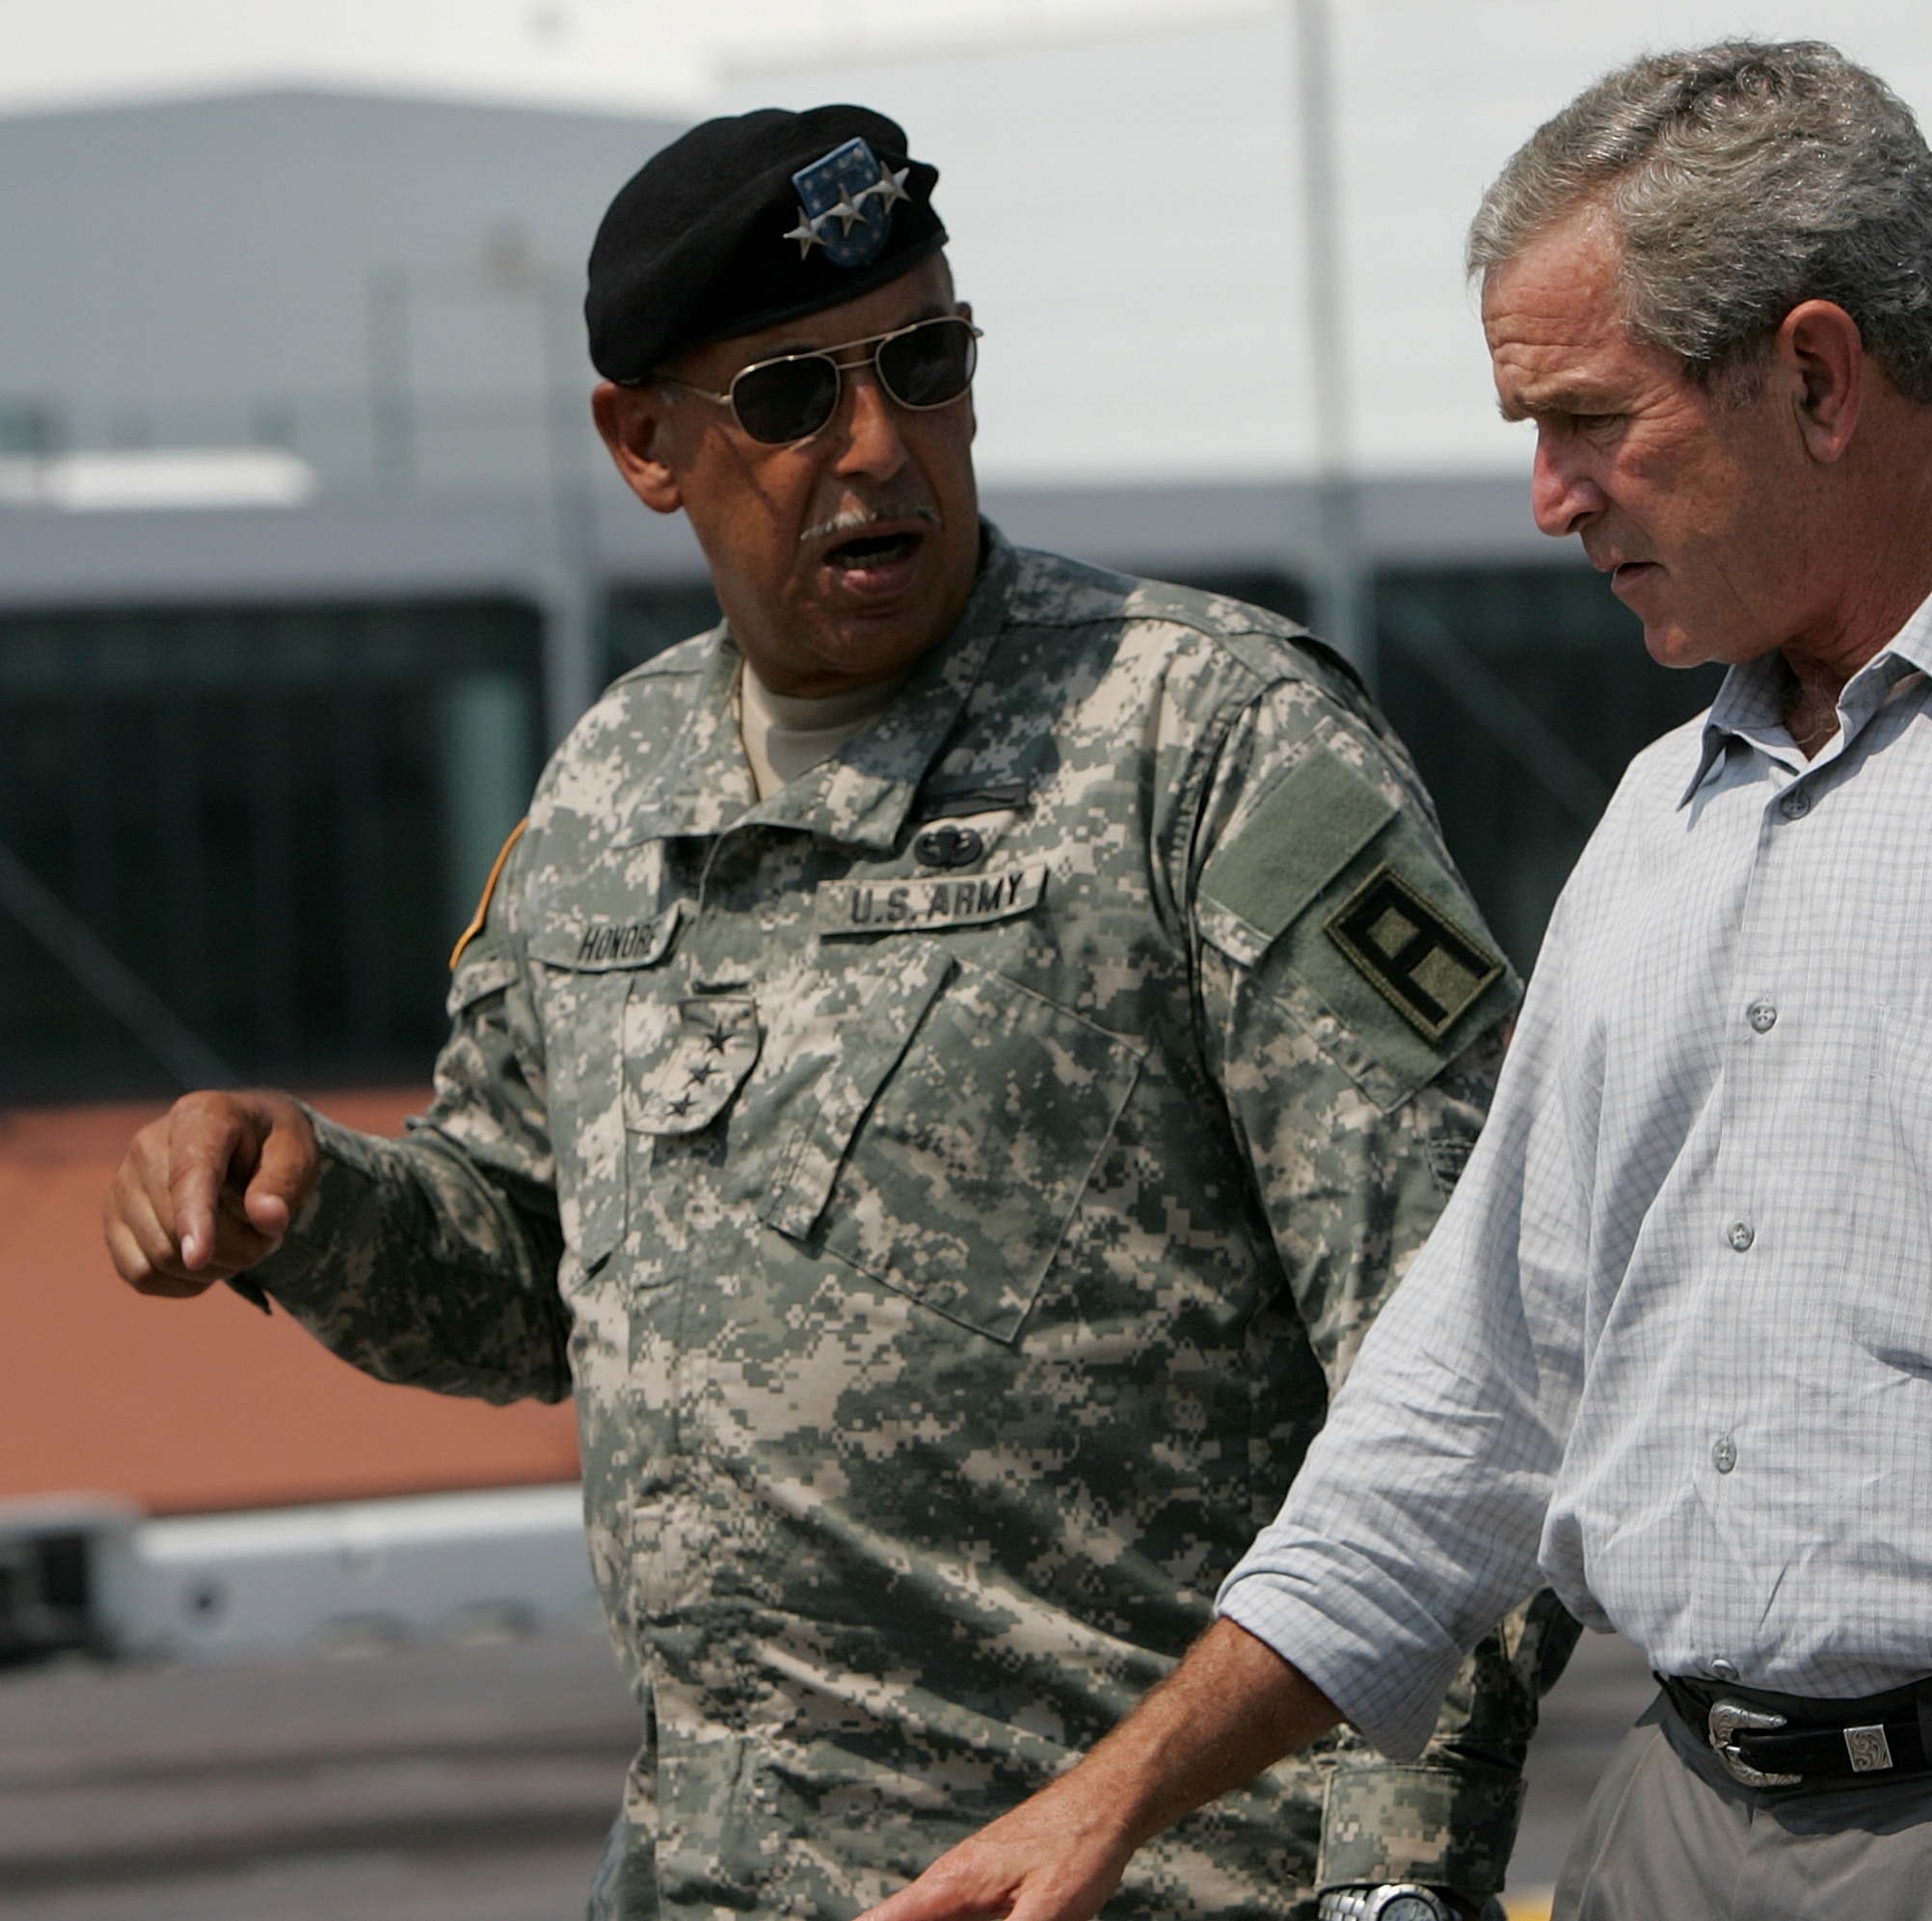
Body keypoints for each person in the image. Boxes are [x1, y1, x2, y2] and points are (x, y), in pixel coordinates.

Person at [858, 41, 1932, 1921]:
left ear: (1817, 375)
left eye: (1587, 418)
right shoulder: (1660, 828)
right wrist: (1110, 1802)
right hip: (1672, 1840)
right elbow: (1463, 1412)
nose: (1547, 498)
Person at [97, 105, 1571, 1921]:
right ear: (643, 442)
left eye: (925, 365)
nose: (879, 449)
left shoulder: (1207, 743)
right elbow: (522, 1276)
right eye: (790, 397)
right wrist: (307, 1201)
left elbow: (1470, 1356)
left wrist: (1395, 1889)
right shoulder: (608, 789)